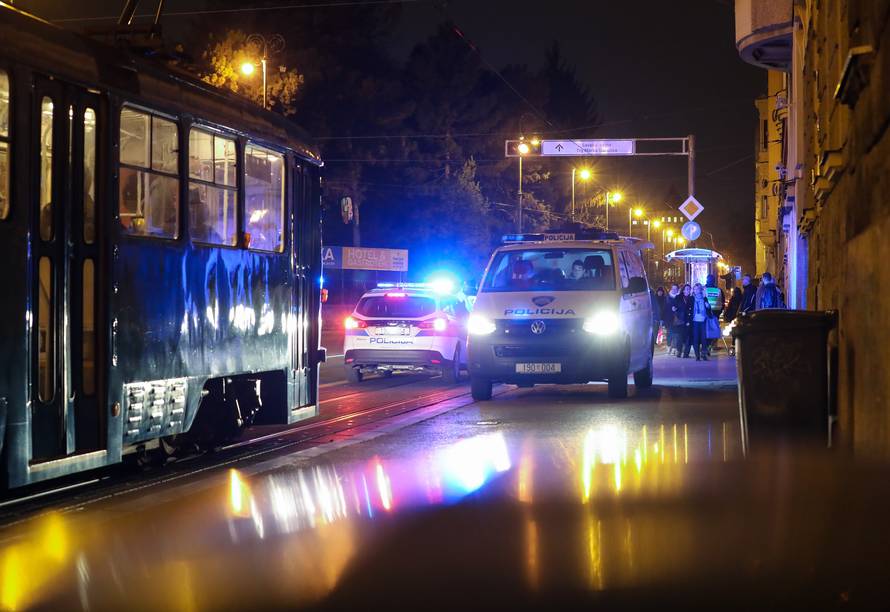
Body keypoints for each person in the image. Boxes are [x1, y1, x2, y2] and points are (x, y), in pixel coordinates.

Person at [686, 283, 714, 361]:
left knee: (703, 338)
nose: (696, 290)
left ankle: (704, 354)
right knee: (695, 338)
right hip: (694, 321)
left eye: (697, 289)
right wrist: (688, 320)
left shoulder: (704, 298)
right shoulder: (691, 298)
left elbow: (708, 308)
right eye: (694, 289)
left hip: (703, 320)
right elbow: (687, 309)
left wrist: (708, 306)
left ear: (700, 289)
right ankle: (697, 355)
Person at [666, 284, 681, 353]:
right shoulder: (667, 297)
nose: (674, 290)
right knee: (669, 333)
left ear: (678, 290)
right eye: (673, 289)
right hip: (669, 318)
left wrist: (676, 309)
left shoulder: (679, 297)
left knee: (676, 333)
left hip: (677, 319)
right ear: (671, 289)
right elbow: (664, 307)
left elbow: (681, 306)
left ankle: (674, 348)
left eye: (675, 289)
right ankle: (668, 346)